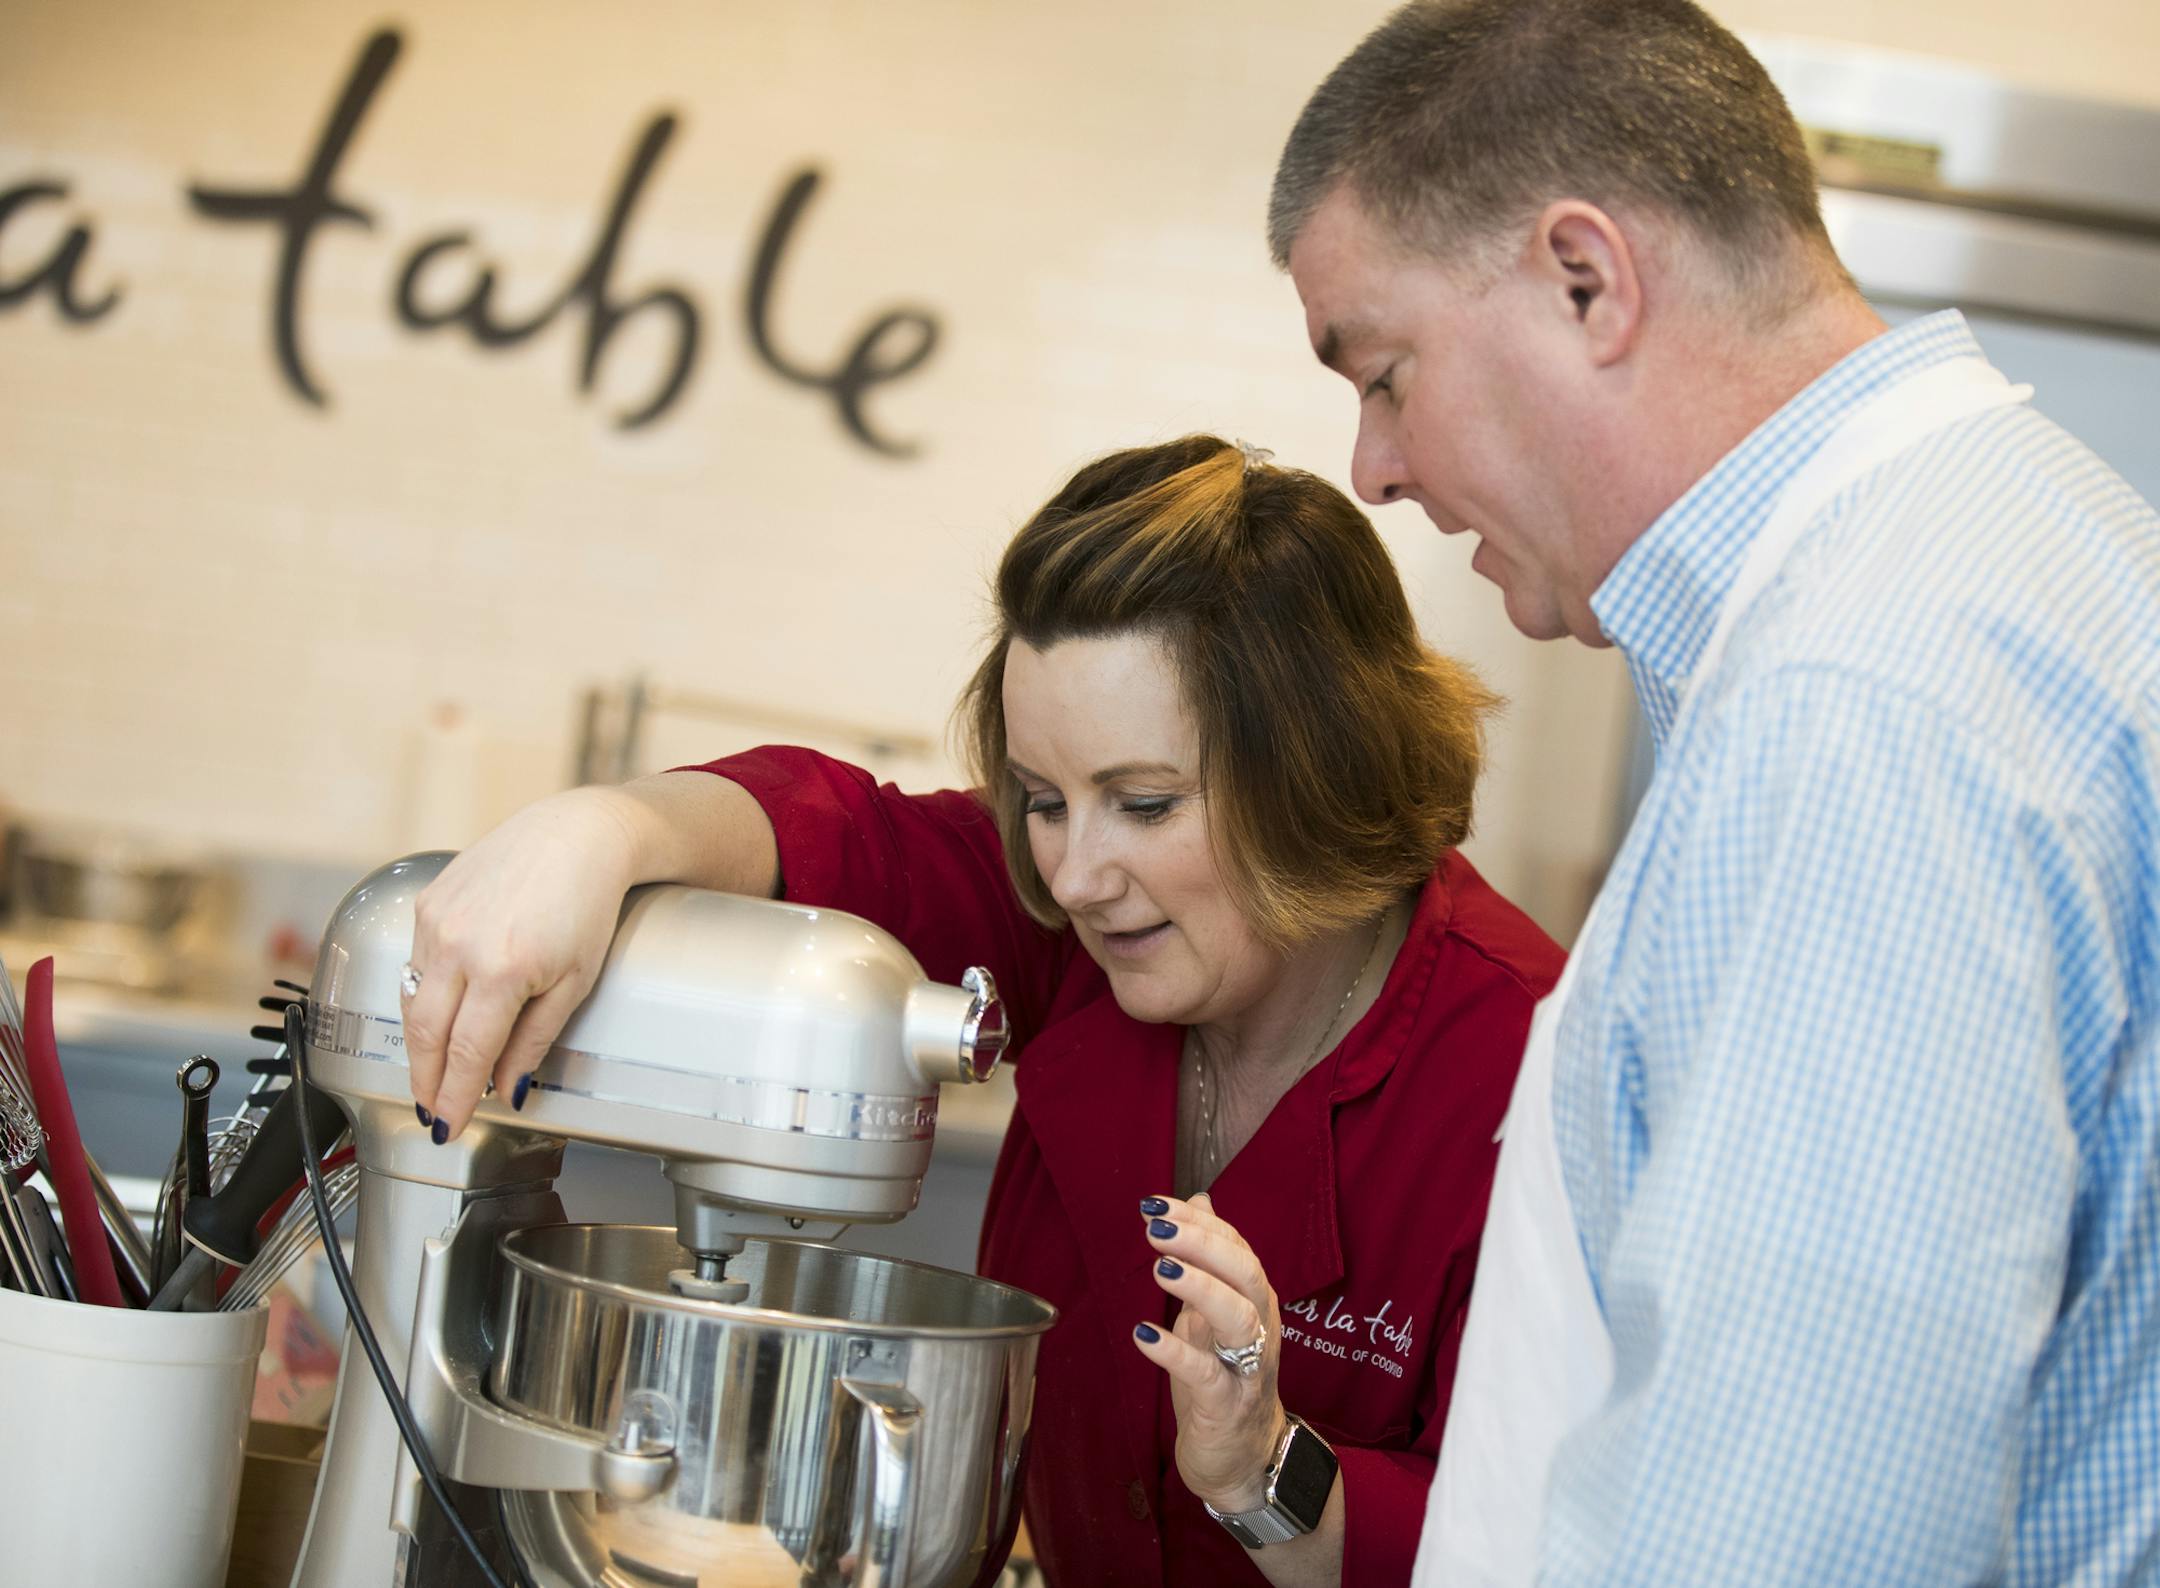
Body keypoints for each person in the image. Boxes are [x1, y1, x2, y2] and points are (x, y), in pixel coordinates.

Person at [1270, 2, 2160, 1584]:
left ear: (1585, 279)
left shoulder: (1857, 703)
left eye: (1387, 371)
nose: (1374, 468)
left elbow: (1795, 1525)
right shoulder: (2015, 554)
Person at [396, 434, 1564, 1587]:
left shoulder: (1522, 1064)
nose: (1075, 875)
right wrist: (603, 831)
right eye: (1047, 799)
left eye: (1145, 803)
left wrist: (1263, 1470)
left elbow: (1539, 1546)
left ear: (1326, 769)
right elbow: (849, 838)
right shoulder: (1072, 938)